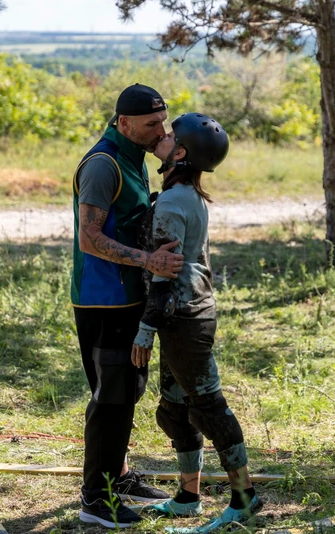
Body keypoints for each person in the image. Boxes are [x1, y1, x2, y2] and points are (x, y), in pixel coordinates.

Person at [131, 113, 264, 534]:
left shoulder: (172, 201)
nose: (162, 137)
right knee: (174, 410)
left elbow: (163, 273)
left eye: (170, 136)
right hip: (185, 315)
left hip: (183, 318)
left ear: (182, 152)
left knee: (208, 408)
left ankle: (244, 499)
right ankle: (188, 497)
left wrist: (145, 330)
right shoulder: (186, 193)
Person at [72, 84, 185, 529]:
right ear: (124, 123)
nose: (162, 130)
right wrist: (149, 260)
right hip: (104, 299)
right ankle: (95, 500)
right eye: (152, 125)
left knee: (128, 391)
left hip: (129, 294)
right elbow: (89, 237)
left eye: (164, 122)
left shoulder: (133, 155)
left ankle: (117, 477)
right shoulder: (103, 165)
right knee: (111, 397)